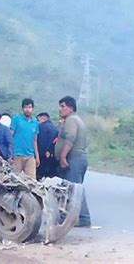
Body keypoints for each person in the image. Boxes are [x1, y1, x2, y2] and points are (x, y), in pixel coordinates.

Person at [54, 96, 91, 227]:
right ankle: (71, 216)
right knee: (73, 189)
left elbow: (70, 139)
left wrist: (63, 157)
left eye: (63, 106)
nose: (60, 109)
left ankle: (83, 217)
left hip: (74, 159)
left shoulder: (71, 120)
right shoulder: (76, 120)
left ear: (70, 108)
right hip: (78, 158)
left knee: (75, 190)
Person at [10, 98, 40, 179]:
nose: (27, 109)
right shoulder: (16, 119)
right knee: (15, 180)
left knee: (32, 181)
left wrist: (37, 156)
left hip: (30, 156)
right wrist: (10, 153)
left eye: (29, 107)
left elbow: (35, 140)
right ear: (22, 108)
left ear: (32, 108)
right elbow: (10, 136)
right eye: (25, 107)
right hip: (17, 155)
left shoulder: (35, 122)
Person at [36, 112, 59, 180]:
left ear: (42, 118)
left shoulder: (40, 128)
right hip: (53, 160)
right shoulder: (56, 128)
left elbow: (40, 144)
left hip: (42, 159)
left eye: (38, 120)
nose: (37, 122)